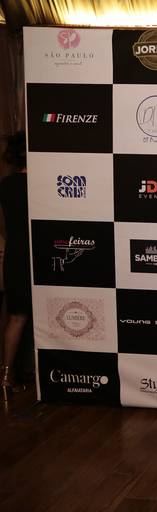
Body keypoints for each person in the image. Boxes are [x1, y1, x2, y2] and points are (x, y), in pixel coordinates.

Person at [0, 132, 31, 401]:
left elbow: (5, 227)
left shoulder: (7, 185)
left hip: (15, 254)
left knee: (16, 317)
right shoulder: (40, 183)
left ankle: (6, 376)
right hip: (38, 254)